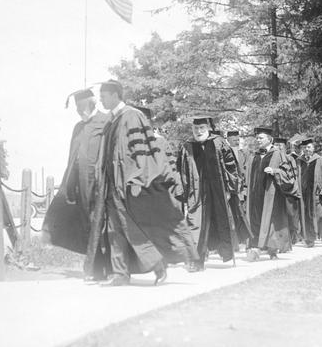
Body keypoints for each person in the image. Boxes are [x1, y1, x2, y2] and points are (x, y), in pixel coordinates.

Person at [91, 80, 198, 286]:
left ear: (115, 95)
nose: (101, 100)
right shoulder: (111, 121)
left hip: (129, 183)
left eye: (103, 95)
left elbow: (144, 150)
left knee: (133, 228)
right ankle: (121, 274)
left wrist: (139, 178)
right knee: (115, 230)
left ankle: (158, 265)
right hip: (112, 185)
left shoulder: (132, 116)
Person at [42, 88, 111, 281]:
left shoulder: (106, 121)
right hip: (81, 186)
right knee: (88, 224)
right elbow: (72, 158)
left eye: (83, 106)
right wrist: (70, 185)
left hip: (99, 183)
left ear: (93, 102)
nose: (80, 110)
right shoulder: (78, 127)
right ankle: (97, 269)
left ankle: (102, 268)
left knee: (101, 224)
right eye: (77, 107)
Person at [178, 116, 251, 271]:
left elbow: (231, 166)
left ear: (208, 128)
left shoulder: (218, 142)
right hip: (197, 193)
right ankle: (197, 262)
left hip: (218, 191)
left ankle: (225, 253)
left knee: (221, 221)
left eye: (202, 128)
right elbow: (182, 172)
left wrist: (230, 189)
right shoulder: (187, 146)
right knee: (196, 224)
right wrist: (185, 194)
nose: (198, 131)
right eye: (196, 128)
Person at [246, 127, 292, 260]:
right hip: (255, 195)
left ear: (269, 139)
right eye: (257, 138)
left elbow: (288, 174)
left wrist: (275, 171)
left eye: (261, 138)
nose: (258, 140)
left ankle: (272, 251)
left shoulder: (278, 154)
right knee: (255, 220)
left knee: (271, 222)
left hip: (271, 195)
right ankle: (256, 249)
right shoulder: (254, 155)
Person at [274, 136, 301, 245]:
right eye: (276, 145)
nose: (278, 147)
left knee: (291, 216)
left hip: (290, 192)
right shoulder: (273, 158)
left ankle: (293, 237)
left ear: (285, 147)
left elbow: (293, 177)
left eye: (280, 145)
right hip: (278, 192)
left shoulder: (289, 159)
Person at [298, 138, 321, 247]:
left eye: (309, 147)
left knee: (313, 214)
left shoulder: (319, 160)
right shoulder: (299, 160)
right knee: (304, 214)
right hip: (302, 192)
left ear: (314, 148)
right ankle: (306, 237)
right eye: (305, 147)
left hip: (314, 192)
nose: (306, 149)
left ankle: (313, 236)